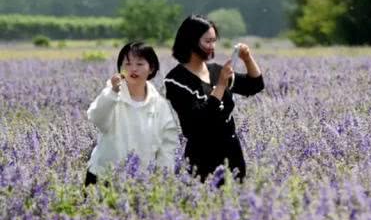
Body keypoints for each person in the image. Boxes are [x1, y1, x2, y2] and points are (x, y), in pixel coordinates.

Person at [164, 14, 265, 185]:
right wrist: (220, 86)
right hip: (202, 157)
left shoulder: (217, 71)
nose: (212, 46)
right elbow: (198, 120)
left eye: (214, 41)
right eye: (207, 41)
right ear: (191, 41)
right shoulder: (176, 80)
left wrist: (247, 58)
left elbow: (254, 85)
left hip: (232, 154)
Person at [85, 41, 179, 186]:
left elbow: (167, 146)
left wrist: (164, 178)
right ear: (120, 69)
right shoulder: (111, 94)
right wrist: (112, 93)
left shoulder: (159, 105)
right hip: (103, 175)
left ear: (151, 68)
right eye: (127, 64)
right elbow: (96, 118)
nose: (133, 69)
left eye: (140, 64)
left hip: (139, 180)